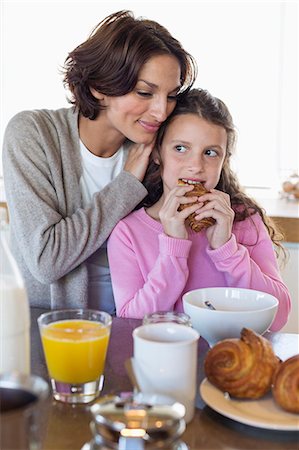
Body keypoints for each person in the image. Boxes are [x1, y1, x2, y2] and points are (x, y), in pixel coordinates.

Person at [2, 10, 197, 313]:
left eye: (171, 96)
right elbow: (46, 260)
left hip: (139, 323)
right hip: (54, 329)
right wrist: (127, 186)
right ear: (99, 87)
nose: (161, 112)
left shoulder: (159, 145)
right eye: (144, 92)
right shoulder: (32, 135)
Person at [107, 88, 291, 330]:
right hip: (166, 362)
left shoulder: (244, 220)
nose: (195, 166)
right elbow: (131, 324)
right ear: (157, 154)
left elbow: (278, 318)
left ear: (224, 160)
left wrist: (227, 249)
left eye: (210, 153)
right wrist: (173, 247)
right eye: (181, 148)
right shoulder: (127, 232)